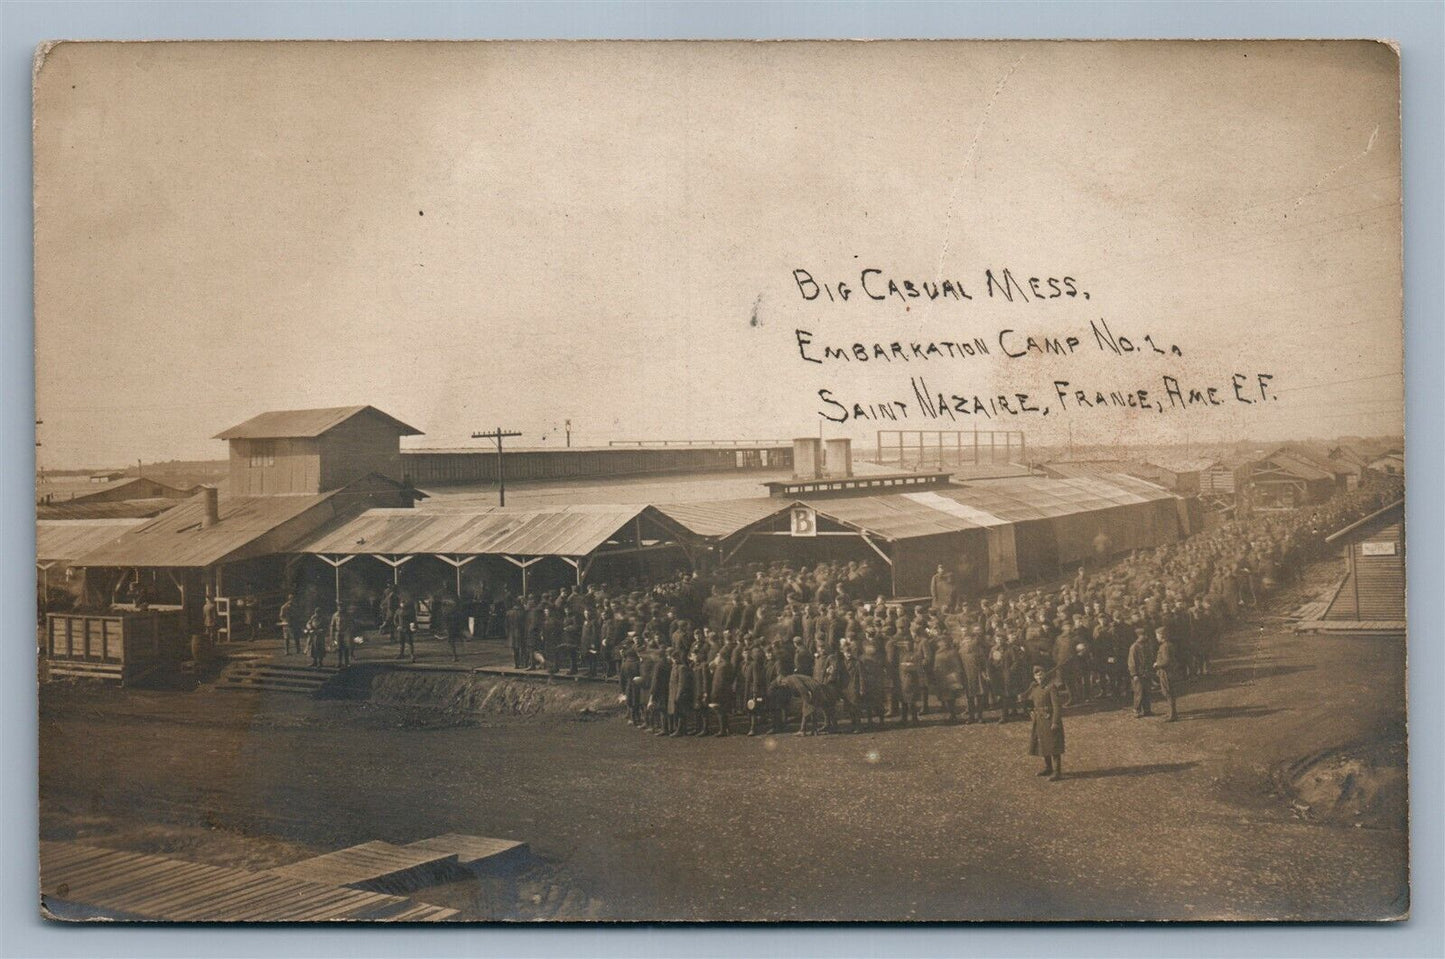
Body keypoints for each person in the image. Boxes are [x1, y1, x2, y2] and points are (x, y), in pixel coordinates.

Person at [1026, 664, 1065, 781]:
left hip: (1049, 719)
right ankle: (1048, 768)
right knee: (1043, 744)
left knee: (1053, 745)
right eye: (1036, 675)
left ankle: (1057, 771)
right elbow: (1027, 701)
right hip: (1039, 720)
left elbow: (1057, 707)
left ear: (1045, 674)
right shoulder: (1034, 688)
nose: (1039, 677)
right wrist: (1031, 713)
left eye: (1041, 674)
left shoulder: (1051, 687)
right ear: (1034, 677)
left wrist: (1055, 722)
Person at [1153, 625, 1180, 722]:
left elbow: (1166, 661)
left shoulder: (1164, 647)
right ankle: (1171, 713)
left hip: (1166, 672)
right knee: (1169, 693)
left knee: (1168, 693)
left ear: (1162, 636)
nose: (1156, 637)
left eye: (1157, 635)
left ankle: (1172, 715)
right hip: (1170, 671)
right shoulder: (1169, 644)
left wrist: (1157, 664)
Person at [1127, 628, 1153, 718]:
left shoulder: (1147, 645)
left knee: (1147, 692)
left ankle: (1147, 710)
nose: (1146, 636)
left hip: (1146, 672)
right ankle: (1136, 710)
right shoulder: (1134, 647)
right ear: (1139, 636)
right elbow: (1132, 662)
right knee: (1139, 692)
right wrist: (1134, 674)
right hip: (1138, 674)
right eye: (1143, 635)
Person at [394, 597, 416, 661]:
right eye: (401, 603)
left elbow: (413, 619)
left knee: (410, 642)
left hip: (408, 629)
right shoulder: (398, 611)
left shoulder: (410, 611)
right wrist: (397, 626)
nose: (402, 604)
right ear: (400, 604)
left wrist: (412, 626)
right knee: (401, 642)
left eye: (403, 603)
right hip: (401, 628)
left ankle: (412, 655)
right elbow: (395, 620)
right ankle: (401, 654)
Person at [330, 604, 352, 668]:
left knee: (346, 648)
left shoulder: (347, 615)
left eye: (342, 607)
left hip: (345, 633)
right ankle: (339, 662)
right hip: (338, 633)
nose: (340, 608)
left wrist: (349, 632)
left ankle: (346, 663)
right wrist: (332, 634)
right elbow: (332, 625)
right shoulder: (335, 615)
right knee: (338, 648)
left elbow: (350, 623)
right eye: (339, 607)